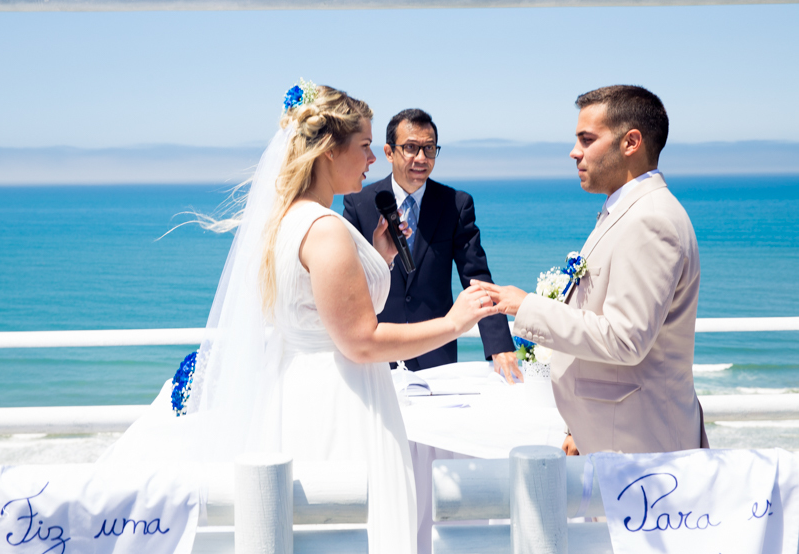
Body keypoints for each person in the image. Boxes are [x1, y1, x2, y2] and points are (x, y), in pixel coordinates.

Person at [101, 83, 502, 554]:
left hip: (296, 393)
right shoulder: (326, 229)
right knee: (351, 528)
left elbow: (316, 307)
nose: (372, 160)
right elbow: (361, 341)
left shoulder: (286, 220)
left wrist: (379, 258)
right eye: (365, 146)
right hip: (343, 400)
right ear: (330, 151)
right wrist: (456, 322)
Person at [479, 85, 709, 455]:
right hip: (610, 435)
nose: (575, 153)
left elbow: (625, 339)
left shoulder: (651, 221)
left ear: (630, 142)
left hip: (640, 447)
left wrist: (527, 307)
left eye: (587, 140)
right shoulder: (626, 212)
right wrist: (578, 429)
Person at [343, 108, 518, 375]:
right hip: (377, 354)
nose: (421, 158)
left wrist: (499, 344)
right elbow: (349, 279)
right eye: (411, 148)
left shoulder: (456, 204)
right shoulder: (360, 203)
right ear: (389, 152)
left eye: (430, 148)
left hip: (436, 353)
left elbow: (477, 277)